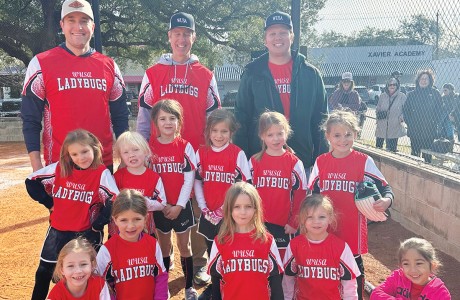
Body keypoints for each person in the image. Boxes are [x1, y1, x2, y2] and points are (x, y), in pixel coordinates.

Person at [136, 11, 221, 285]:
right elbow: (143, 114)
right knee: (160, 203)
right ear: (169, 36)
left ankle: (198, 262)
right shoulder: (153, 72)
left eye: (187, 34)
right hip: (158, 154)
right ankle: (165, 260)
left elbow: (214, 116)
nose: (181, 39)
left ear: (193, 38)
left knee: (194, 208)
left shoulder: (205, 75)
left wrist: (211, 151)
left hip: (194, 153)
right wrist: (140, 152)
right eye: (177, 34)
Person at [21, 0, 129, 173]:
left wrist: (124, 159)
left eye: (84, 21)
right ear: (62, 25)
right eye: (71, 20)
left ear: (93, 27)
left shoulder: (109, 65)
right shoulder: (40, 64)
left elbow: (121, 117)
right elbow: (30, 119)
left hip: (101, 164)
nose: (78, 27)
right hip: (60, 164)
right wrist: (37, 167)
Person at [308, 110, 394, 299]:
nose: (343, 140)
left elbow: (385, 188)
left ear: (356, 134)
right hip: (325, 227)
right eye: (337, 135)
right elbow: (311, 195)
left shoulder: (363, 161)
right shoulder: (321, 162)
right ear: (328, 136)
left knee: (354, 269)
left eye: (348, 134)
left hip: (351, 229)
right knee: (327, 267)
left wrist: (386, 200)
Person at [25, 129, 119, 299]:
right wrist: (49, 202)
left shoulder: (101, 173)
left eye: (84, 151)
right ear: (68, 154)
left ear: (94, 148)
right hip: (57, 232)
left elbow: (114, 199)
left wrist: (99, 223)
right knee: (43, 273)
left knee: (90, 274)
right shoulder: (61, 168)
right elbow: (31, 181)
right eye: (74, 154)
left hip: (86, 233)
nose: (81, 157)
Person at [233, 11, 328, 171]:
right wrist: (242, 160)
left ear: (292, 36)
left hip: (301, 159)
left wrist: (321, 161)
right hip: (261, 159)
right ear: (265, 40)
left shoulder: (310, 74)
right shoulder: (252, 74)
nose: (278, 37)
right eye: (273, 33)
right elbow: (241, 118)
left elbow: (321, 121)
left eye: (283, 33)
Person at [194, 109, 251, 299]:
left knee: (231, 249)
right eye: (215, 130)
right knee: (213, 251)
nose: (219, 135)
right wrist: (203, 207)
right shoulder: (201, 152)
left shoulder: (237, 154)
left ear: (231, 132)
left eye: (224, 131)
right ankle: (215, 285)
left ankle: (232, 284)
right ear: (208, 131)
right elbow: (197, 181)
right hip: (208, 213)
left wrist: (222, 210)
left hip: (230, 215)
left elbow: (243, 186)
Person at [148, 99, 198, 299]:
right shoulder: (150, 147)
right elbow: (149, 179)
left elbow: (189, 180)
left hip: (181, 206)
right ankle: (164, 285)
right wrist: (162, 205)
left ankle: (188, 287)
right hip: (160, 207)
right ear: (155, 122)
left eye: (172, 118)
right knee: (163, 246)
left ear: (179, 121)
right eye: (162, 118)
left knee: (184, 246)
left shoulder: (185, 147)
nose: (168, 122)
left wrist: (179, 205)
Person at [208, 182, 284, 299]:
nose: (243, 212)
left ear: (255, 209)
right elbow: (215, 279)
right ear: (229, 209)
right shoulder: (220, 241)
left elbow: (275, 279)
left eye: (248, 206)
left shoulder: (266, 240)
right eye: (237, 206)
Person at [249, 111, 308, 257]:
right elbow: (246, 194)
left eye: (280, 133)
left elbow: (301, 194)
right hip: (258, 223)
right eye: (270, 135)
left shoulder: (294, 163)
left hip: (284, 225)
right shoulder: (254, 162)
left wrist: (294, 222)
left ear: (286, 133)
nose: (276, 139)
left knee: (282, 263)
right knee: (260, 260)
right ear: (262, 136)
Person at [282, 194, 361, 300]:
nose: (316, 221)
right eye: (310, 217)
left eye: (322, 217)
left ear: (330, 218)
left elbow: (349, 285)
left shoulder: (341, 247)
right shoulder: (294, 245)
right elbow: (288, 280)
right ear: (301, 219)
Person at [96, 189, 168, 299]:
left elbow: (161, 276)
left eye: (137, 219)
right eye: (124, 220)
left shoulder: (152, 243)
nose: (130, 226)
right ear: (115, 220)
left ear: (145, 218)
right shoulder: (107, 250)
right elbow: (98, 283)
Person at [111, 131, 167, 237]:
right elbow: (111, 202)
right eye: (125, 152)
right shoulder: (118, 177)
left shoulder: (154, 177)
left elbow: (162, 203)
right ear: (120, 156)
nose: (132, 155)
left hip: (145, 230)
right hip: (121, 231)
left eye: (136, 150)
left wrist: (145, 202)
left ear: (145, 151)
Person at [370, 237, 451, 299]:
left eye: (419, 263)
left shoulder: (441, 293)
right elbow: (375, 294)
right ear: (401, 265)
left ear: (433, 265)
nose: (412, 270)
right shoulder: (398, 277)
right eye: (406, 264)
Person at [403, 69, 442, 163]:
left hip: (429, 131)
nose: (424, 81)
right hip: (414, 131)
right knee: (414, 155)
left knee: (427, 157)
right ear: (418, 80)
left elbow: (440, 111)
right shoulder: (412, 94)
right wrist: (410, 124)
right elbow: (406, 111)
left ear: (430, 81)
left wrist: (434, 122)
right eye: (422, 78)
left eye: (426, 79)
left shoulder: (435, 93)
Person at [375, 77, 407, 152]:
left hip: (394, 125)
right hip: (382, 124)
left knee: (391, 150)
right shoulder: (382, 96)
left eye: (394, 84)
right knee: (378, 148)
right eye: (390, 84)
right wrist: (378, 116)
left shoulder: (402, 96)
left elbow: (406, 110)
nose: (392, 86)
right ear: (387, 86)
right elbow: (378, 108)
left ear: (398, 85)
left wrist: (401, 118)